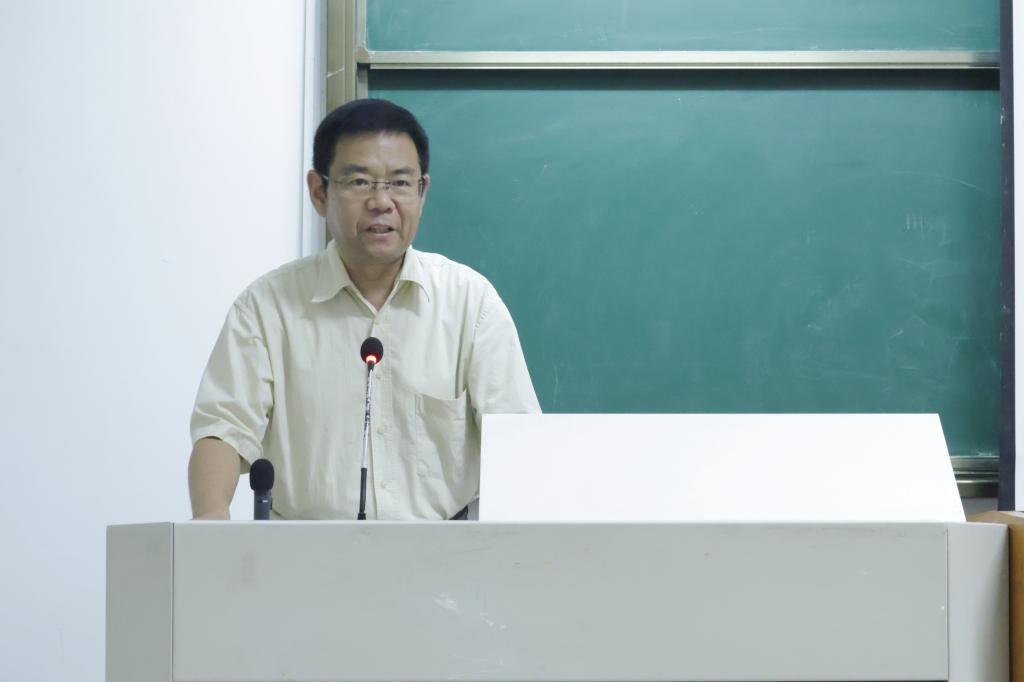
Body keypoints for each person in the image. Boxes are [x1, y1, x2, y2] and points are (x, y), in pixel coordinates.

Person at [188, 98, 540, 520]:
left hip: (447, 551)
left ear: (422, 192)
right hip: (304, 552)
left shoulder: (470, 303)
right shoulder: (266, 308)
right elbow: (223, 430)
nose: (382, 201)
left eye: (400, 183)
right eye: (359, 182)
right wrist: (210, 523)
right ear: (319, 192)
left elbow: (520, 442)